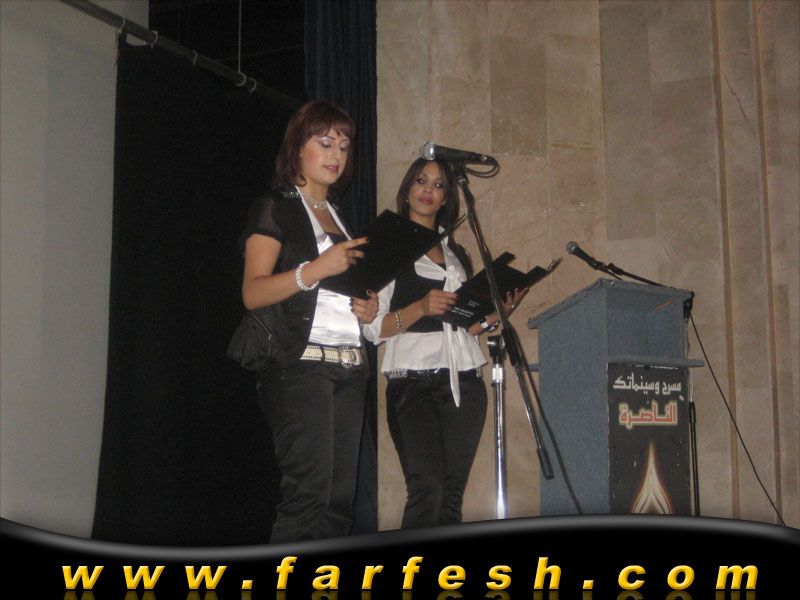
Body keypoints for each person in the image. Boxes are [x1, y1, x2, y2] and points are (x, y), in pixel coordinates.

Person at [239, 100, 378, 542]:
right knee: (308, 497)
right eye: (325, 143)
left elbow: (339, 291)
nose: (336, 154)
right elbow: (253, 292)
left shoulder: (338, 217)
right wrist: (315, 269)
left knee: (339, 504)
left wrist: (367, 308)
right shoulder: (274, 207)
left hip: (349, 367)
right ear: (298, 147)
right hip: (298, 367)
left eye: (344, 145)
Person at [362, 158, 527, 528]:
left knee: (451, 497)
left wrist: (496, 314)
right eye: (421, 181)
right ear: (407, 190)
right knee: (428, 488)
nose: (428, 190)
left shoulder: (455, 254)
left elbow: (463, 327)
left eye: (438, 185)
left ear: (446, 197)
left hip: (464, 383)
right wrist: (420, 307)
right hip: (412, 382)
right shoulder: (388, 247)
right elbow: (373, 328)